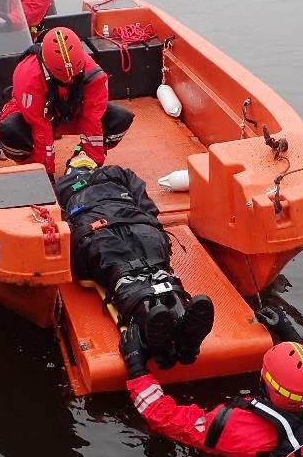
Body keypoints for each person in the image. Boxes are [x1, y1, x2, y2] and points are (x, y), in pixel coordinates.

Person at [120, 306, 303, 457]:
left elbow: (163, 417)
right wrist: (289, 334)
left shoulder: (234, 427)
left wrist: (136, 368)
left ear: (267, 383)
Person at [55, 154, 215, 367]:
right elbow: (56, 219)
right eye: (76, 159)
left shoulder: (117, 173)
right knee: (121, 268)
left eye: (85, 156)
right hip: (96, 227)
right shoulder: (60, 187)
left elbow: (141, 197)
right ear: (68, 169)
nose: (82, 157)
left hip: (132, 221)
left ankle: (182, 332)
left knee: (155, 265)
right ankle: (165, 327)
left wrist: (149, 222)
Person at [0, 28, 134, 179]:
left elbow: (92, 120)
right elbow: (39, 126)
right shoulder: (28, 77)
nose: (69, 80)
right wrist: (45, 173)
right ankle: (32, 167)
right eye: (63, 76)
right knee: (9, 130)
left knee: (120, 118)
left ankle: (80, 155)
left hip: (70, 113)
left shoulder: (95, 76)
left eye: (73, 76)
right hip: (34, 117)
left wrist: (92, 163)